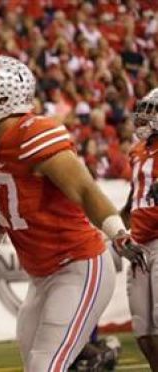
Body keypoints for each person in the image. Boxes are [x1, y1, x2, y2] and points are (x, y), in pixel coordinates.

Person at [0, 56, 146, 371]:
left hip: (78, 266)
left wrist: (119, 233)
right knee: (38, 363)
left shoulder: (35, 133)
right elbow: (26, 197)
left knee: (45, 365)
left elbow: (85, 189)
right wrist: (3, 220)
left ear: (3, 99)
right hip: (41, 275)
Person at [121, 87, 158, 370]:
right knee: (141, 329)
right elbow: (134, 195)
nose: (143, 118)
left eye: (150, 111)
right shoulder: (135, 151)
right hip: (138, 244)